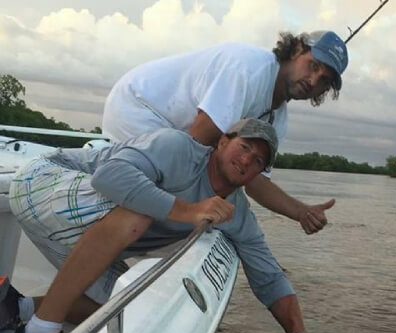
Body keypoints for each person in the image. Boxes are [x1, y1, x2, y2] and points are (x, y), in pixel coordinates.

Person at [1, 118, 321, 333]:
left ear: (258, 174)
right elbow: (109, 177)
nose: (248, 159)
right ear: (222, 142)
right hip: (41, 181)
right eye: (246, 146)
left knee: (126, 312)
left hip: (74, 228)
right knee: (135, 213)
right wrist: (190, 211)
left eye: (259, 160)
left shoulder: (237, 213)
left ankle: (17, 306)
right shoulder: (176, 147)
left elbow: (269, 277)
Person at [102, 30, 349, 235]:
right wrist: (194, 209)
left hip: (172, 132)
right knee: (193, 180)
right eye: (313, 65)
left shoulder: (279, 118)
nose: (314, 80)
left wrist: (301, 212)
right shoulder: (247, 69)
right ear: (296, 50)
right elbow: (195, 144)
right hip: (136, 108)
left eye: (325, 80)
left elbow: (255, 180)